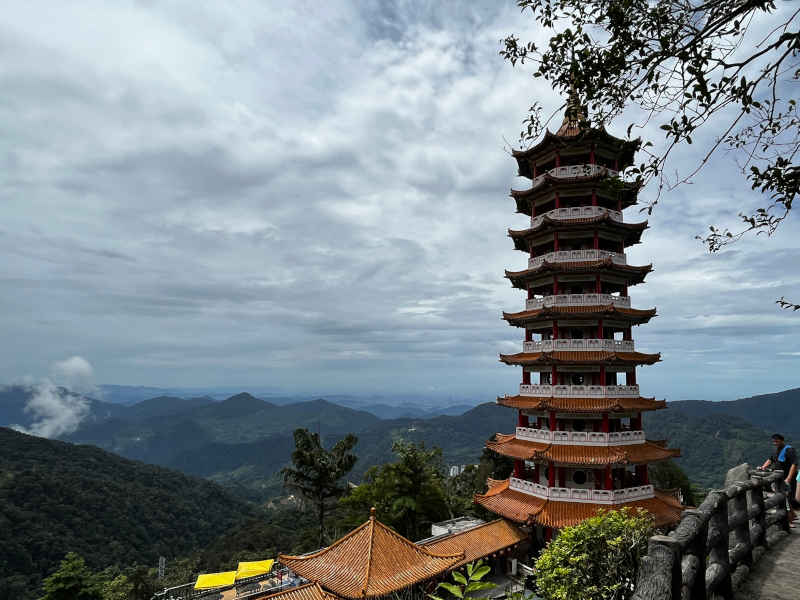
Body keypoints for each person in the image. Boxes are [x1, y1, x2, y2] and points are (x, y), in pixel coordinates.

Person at [761, 433, 799, 525]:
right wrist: (763, 467)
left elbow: (794, 464)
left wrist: (789, 478)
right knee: (784, 497)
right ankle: (792, 515)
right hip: (780, 478)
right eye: (774, 441)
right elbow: (770, 459)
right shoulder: (777, 451)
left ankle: (789, 520)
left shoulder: (789, 450)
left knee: (789, 497)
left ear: (782, 440)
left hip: (789, 478)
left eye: (777, 441)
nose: (775, 443)